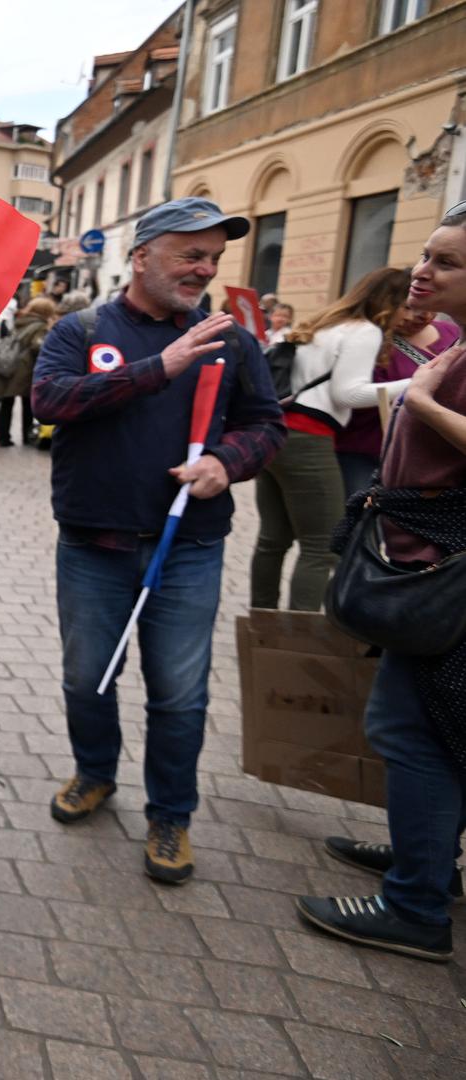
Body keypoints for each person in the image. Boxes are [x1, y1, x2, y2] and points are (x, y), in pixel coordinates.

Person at [30, 197, 284, 884]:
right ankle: (95, 773)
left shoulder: (232, 339)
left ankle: (171, 813)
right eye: (190, 254)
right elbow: (48, 401)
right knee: (90, 678)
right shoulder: (81, 327)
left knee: (179, 693)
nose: (204, 269)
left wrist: (224, 463)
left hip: (190, 547)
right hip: (93, 545)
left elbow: (266, 425)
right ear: (142, 256)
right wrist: (156, 369)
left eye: (212, 258)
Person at [298, 203, 466, 962]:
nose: (422, 271)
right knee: (434, 727)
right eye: (427, 256)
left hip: (445, 579)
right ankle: (424, 864)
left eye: (446, 262)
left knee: (411, 731)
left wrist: (420, 400)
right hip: (429, 567)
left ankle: (415, 905)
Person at [251, 268, 412, 611]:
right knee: (320, 546)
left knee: (273, 540)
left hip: (276, 433)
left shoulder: (326, 322)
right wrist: (415, 384)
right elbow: (347, 394)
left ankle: (261, 625)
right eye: (405, 306)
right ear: (391, 303)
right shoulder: (365, 331)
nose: (407, 316)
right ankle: (297, 641)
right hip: (309, 438)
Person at [334, 301, 459, 498]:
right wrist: (418, 386)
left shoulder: (452, 332)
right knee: (365, 520)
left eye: (430, 307)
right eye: (409, 307)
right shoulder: (368, 339)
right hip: (368, 449)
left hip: (434, 453)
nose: (422, 315)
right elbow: (350, 393)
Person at [0, 297, 56, 447]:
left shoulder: (20, 320)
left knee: (7, 402)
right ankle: (27, 435)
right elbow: (38, 346)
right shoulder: (41, 326)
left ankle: (4, 437)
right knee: (28, 404)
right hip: (25, 369)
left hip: (9, 365)